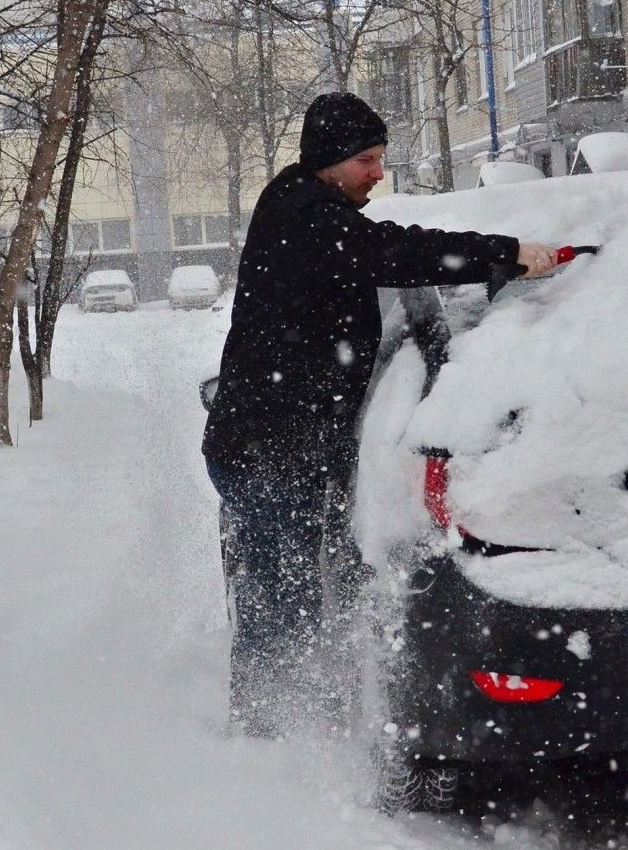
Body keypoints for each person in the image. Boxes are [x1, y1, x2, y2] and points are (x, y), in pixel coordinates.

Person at [202, 91, 558, 737]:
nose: (377, 173)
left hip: (295, 450)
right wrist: (504, 252)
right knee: (284, 603)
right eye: (367, 159)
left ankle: (294, 721)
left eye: (380, 158)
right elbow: (396, 252)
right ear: (331, 160)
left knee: (303, 594)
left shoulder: (306, 203)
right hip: (263, 452)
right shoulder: (309, 216)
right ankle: (265, 739)